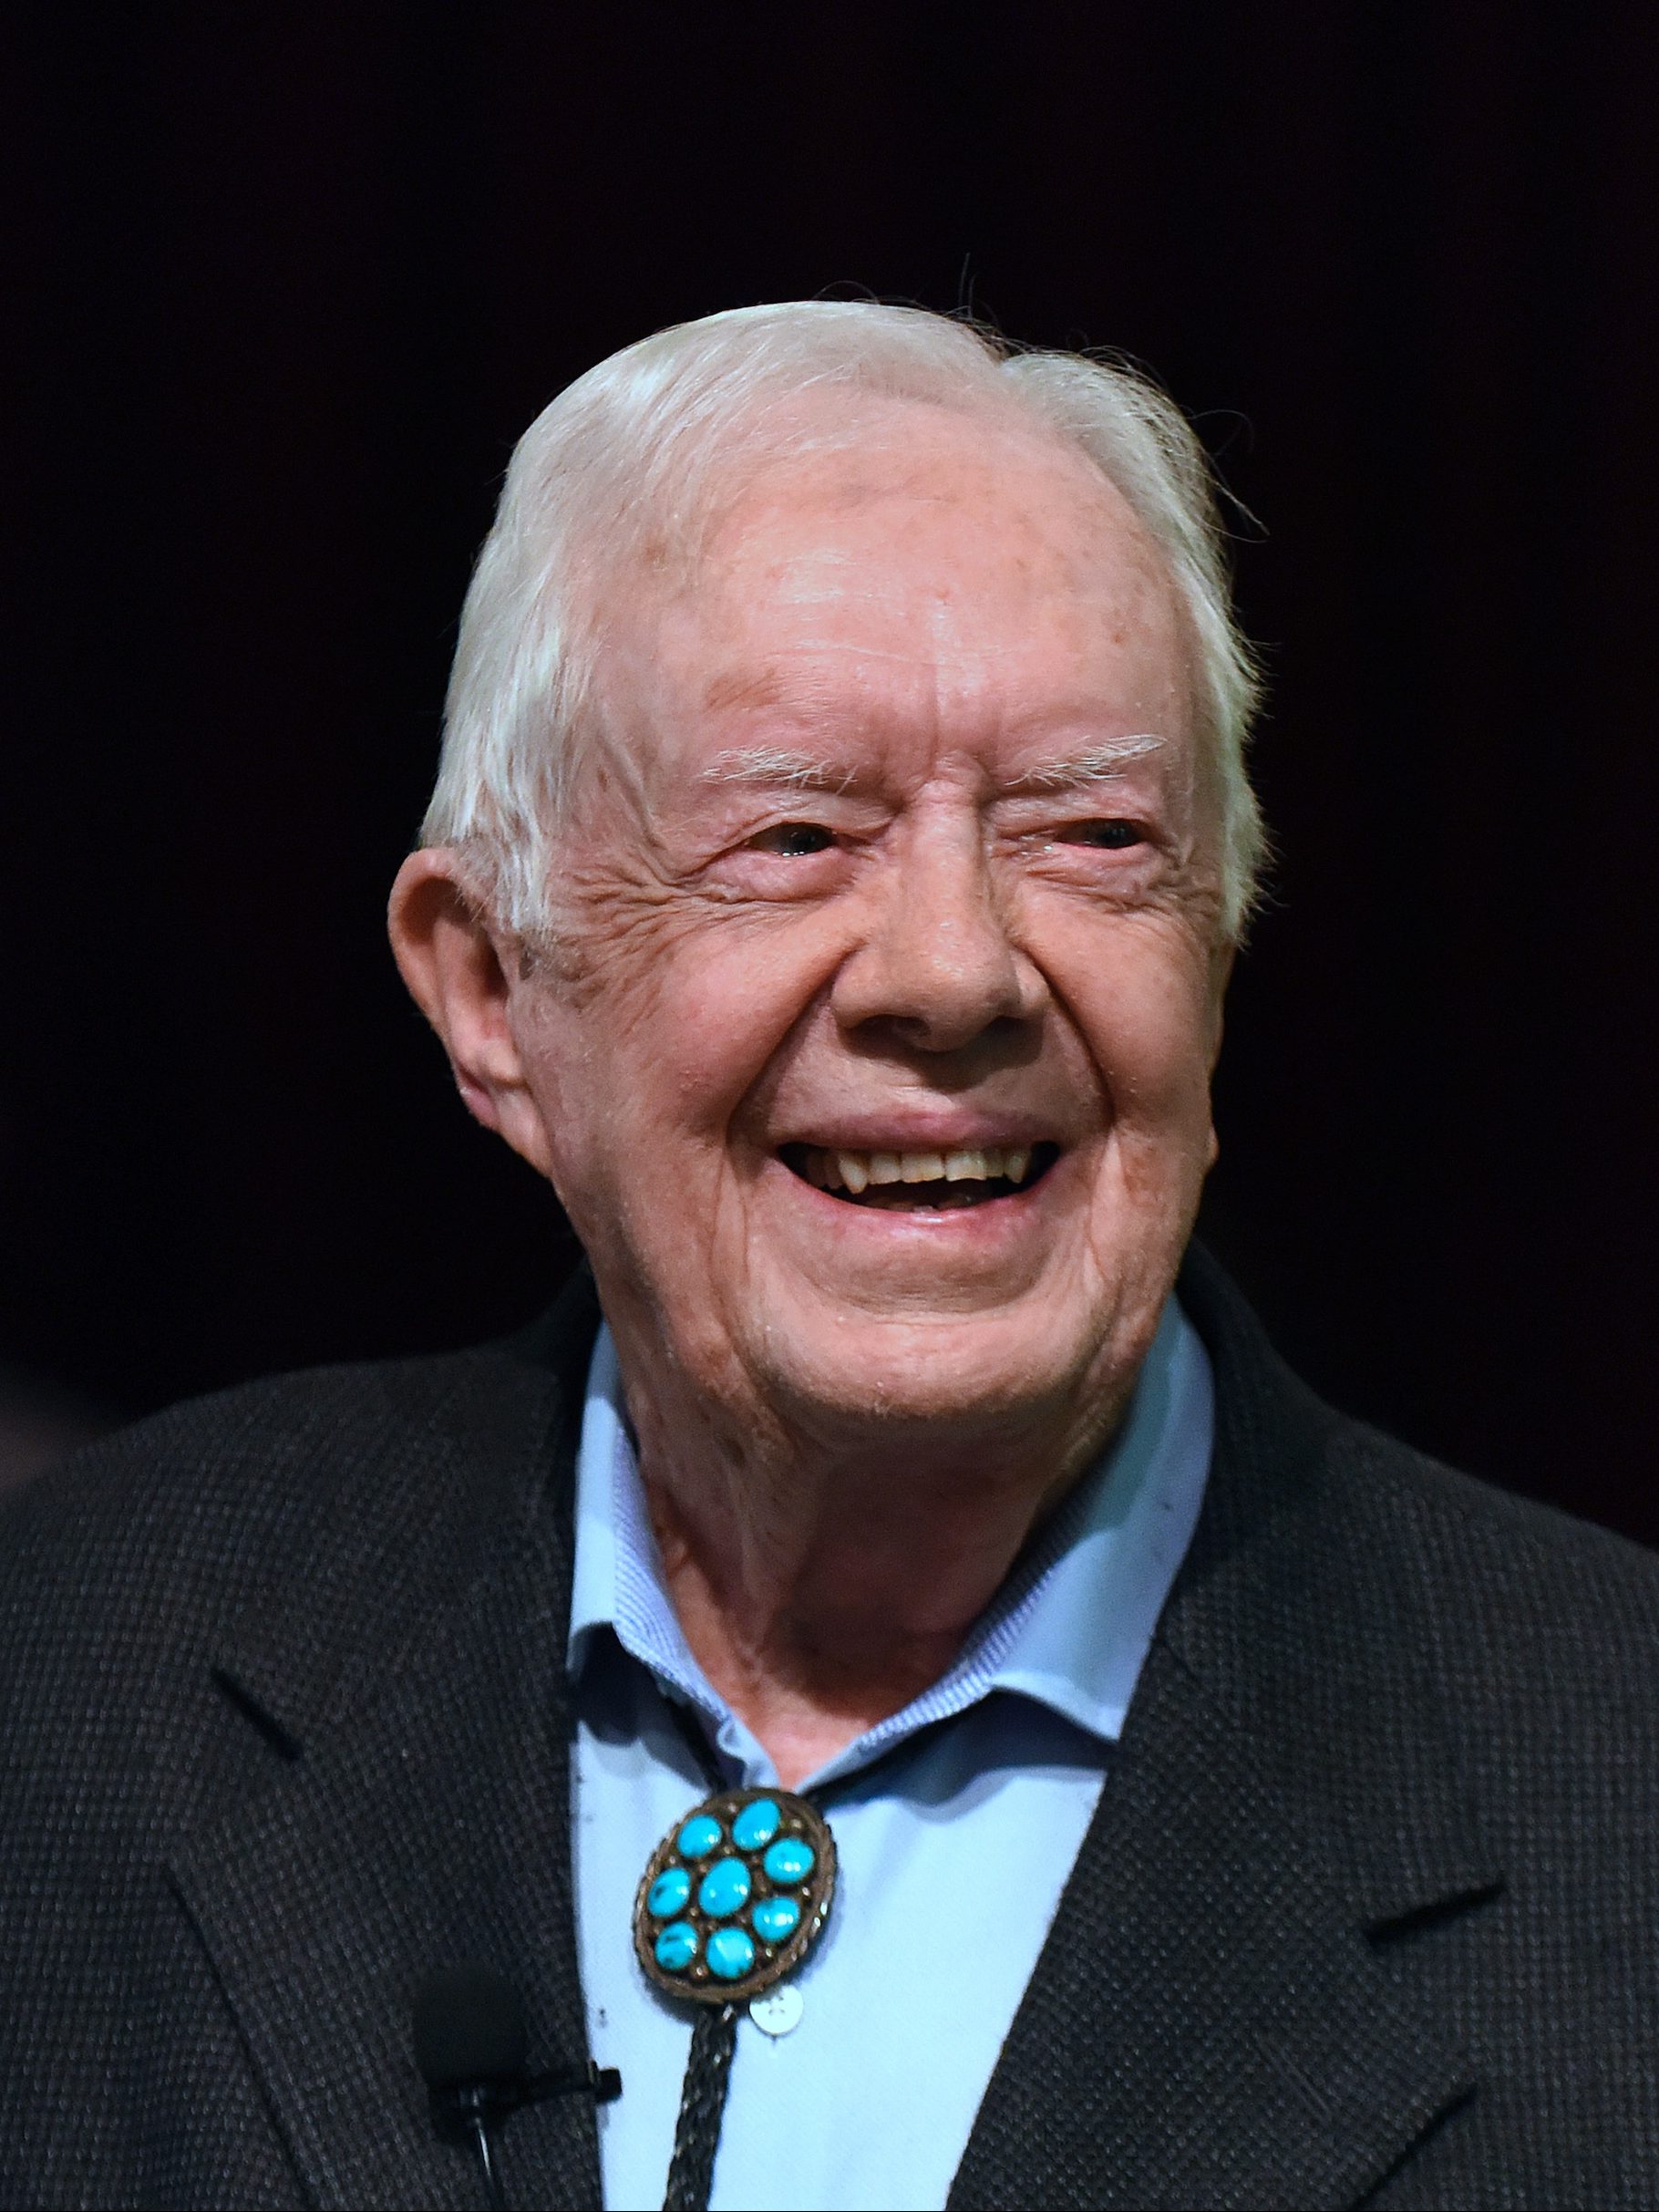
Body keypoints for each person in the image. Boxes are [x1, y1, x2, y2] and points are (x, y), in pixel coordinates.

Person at [3, 302, 1656, 2212]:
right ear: (488, 988)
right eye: (795, 833)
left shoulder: (1608, 1792)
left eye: (1095, 834)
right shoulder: (72, 1675)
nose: (952, 972)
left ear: (1219, 947)